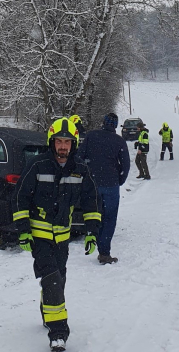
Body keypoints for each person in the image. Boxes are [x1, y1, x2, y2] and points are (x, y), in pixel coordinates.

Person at [13, 117, 101, 352]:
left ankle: (47, 311)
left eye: (68, 142)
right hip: (40, 238)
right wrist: (23, 231)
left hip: (62, 238)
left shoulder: (81, 170)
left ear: (74, 144)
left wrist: (92, 232)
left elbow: (91, 201)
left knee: (58, 280)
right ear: (52, 142)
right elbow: (20, 197)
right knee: (52, 280)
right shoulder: (37, 165)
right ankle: (58, 333)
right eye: (59, 141)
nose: (63, 146)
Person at [76, 112, 130, 264]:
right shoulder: (119, 141)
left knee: (92, 214)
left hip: (92, 184)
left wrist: (84, 176)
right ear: (115, 125)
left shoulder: (91, 136)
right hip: (111, 185)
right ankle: (104, 252)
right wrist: (119, 180)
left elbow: (79, 157)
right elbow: (125, 165)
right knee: (109, 218)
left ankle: (90, 240)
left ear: (103, 122)